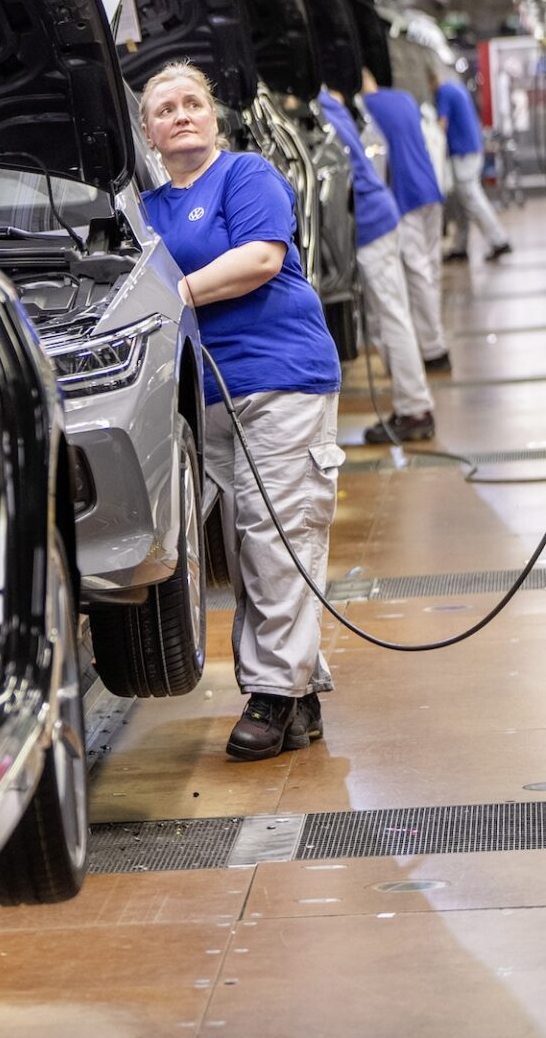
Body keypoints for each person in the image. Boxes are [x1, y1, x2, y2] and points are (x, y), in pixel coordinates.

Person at [138, 62, 342, 761]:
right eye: (165, 109)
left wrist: (173, 294)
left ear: (214, 116)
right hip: (206, 397)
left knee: (276, 537)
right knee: (245, 551)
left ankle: (271, 695)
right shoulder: (145, 211)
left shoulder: (245, 174)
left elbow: (259, 259)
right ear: (148, 134)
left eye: (193, 102)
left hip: (282, 378)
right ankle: (301, 695)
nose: (181, 115)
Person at [317, 88, 438, 443]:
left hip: (370, 220)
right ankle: (412, 404)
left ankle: (415, 410)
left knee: (392, 316)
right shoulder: (330, 102)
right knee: (389, 318)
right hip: (380, 213)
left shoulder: (317, 108)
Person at [361, 70, 452, 372]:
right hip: (430, 189)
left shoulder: (365, 107)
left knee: (417, 271)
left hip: (405, 195)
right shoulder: (404, 98)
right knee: (430, 269)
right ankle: (433, 339)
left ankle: (433, 348)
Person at [434, 71, 512, 263]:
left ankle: (499, 240)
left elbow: (441, 124)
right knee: (462, 201)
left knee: (471, 197)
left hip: (463, 153)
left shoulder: (443, 91)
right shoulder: (456, 87)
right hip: (470, 149)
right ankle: (460, 247)